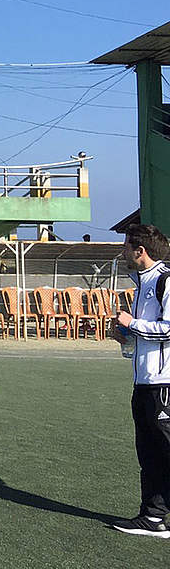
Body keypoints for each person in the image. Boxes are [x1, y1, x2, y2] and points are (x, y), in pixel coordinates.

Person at [110, 224, 170, 537]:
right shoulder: (142, 284)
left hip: (165, 383)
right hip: (144, 382)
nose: (122, 251)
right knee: (149, 454)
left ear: (139, 250)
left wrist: (132, 322)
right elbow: (144, 335)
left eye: (125, 246)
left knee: (166, 449)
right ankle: (153, 517)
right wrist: (124, 338)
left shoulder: (166, 280)